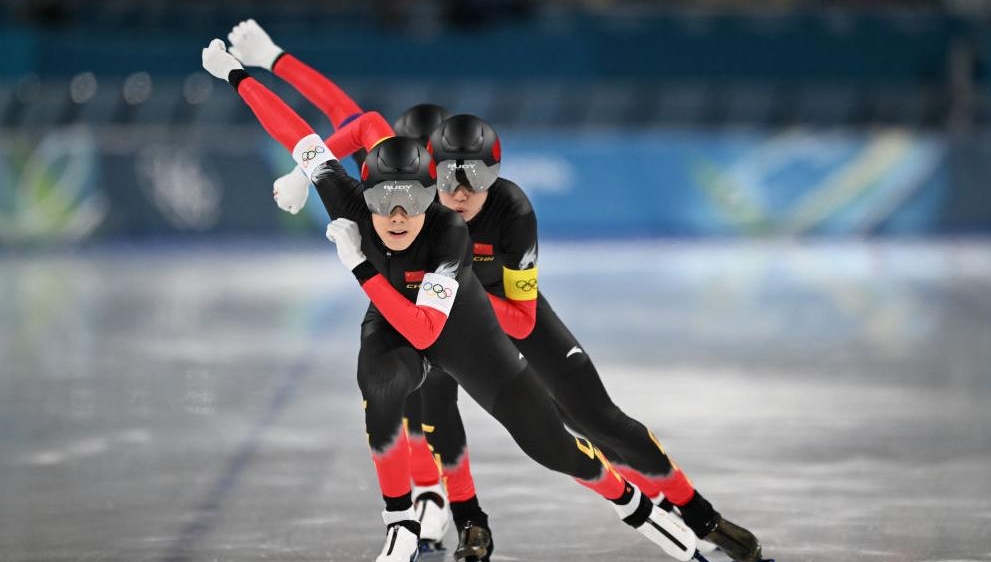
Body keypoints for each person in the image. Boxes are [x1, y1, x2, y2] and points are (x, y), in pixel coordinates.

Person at [223, 19, 765, 562]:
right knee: (425, 397)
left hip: (503, 315)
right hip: (446, 317)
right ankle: (462, 517)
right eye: (445, 181)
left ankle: (699, 514)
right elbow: (350, 118)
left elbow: (524, 320)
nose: (458, 194)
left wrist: (454, 303)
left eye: (473, 181)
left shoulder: (509, 210)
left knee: (593, 420)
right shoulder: (409, 185)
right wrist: (274, 69)